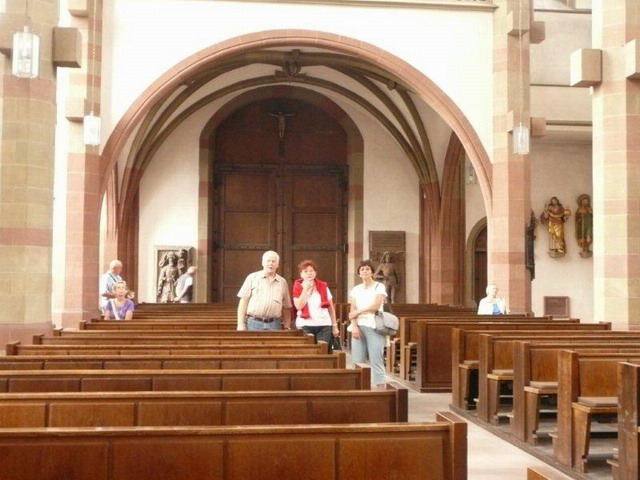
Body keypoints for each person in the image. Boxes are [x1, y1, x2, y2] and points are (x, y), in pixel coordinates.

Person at [348, 259, 388, 389]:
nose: (365, 271)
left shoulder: (379, 287)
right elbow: (352, 310)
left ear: (372, 272)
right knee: (357, 359)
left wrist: (359, 311)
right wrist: (354, 326)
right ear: (359, 273)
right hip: (358, 326)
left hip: (375, 326)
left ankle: (380, 387)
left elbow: (375, 306)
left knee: (376, 358)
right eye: (362, 269)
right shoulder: (356, 289)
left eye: (367, 269)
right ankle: (358, 387)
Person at [237, 251, 292, 330]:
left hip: (274, 324)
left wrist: (287, 326)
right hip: (254, 323)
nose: (270, 263)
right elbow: (243, 302)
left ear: (277, 264)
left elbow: (286, 306)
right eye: (268, 261)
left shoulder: (282, 282)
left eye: (273, 261)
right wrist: (240, 324)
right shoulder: (252, 278)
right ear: (263, 263)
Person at [292, 260, 339, 350]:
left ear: (315, 273)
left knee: (323, 351)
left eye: (311, 271)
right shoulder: (298, 287)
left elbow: (331, 308)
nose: (309, 273)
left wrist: (334, 326)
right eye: (306, 271)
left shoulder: (323, 286)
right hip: (305, 325)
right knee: (308, 352)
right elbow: (298, 306)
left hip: (324, 324)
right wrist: (306, 289)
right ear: (301, 274)